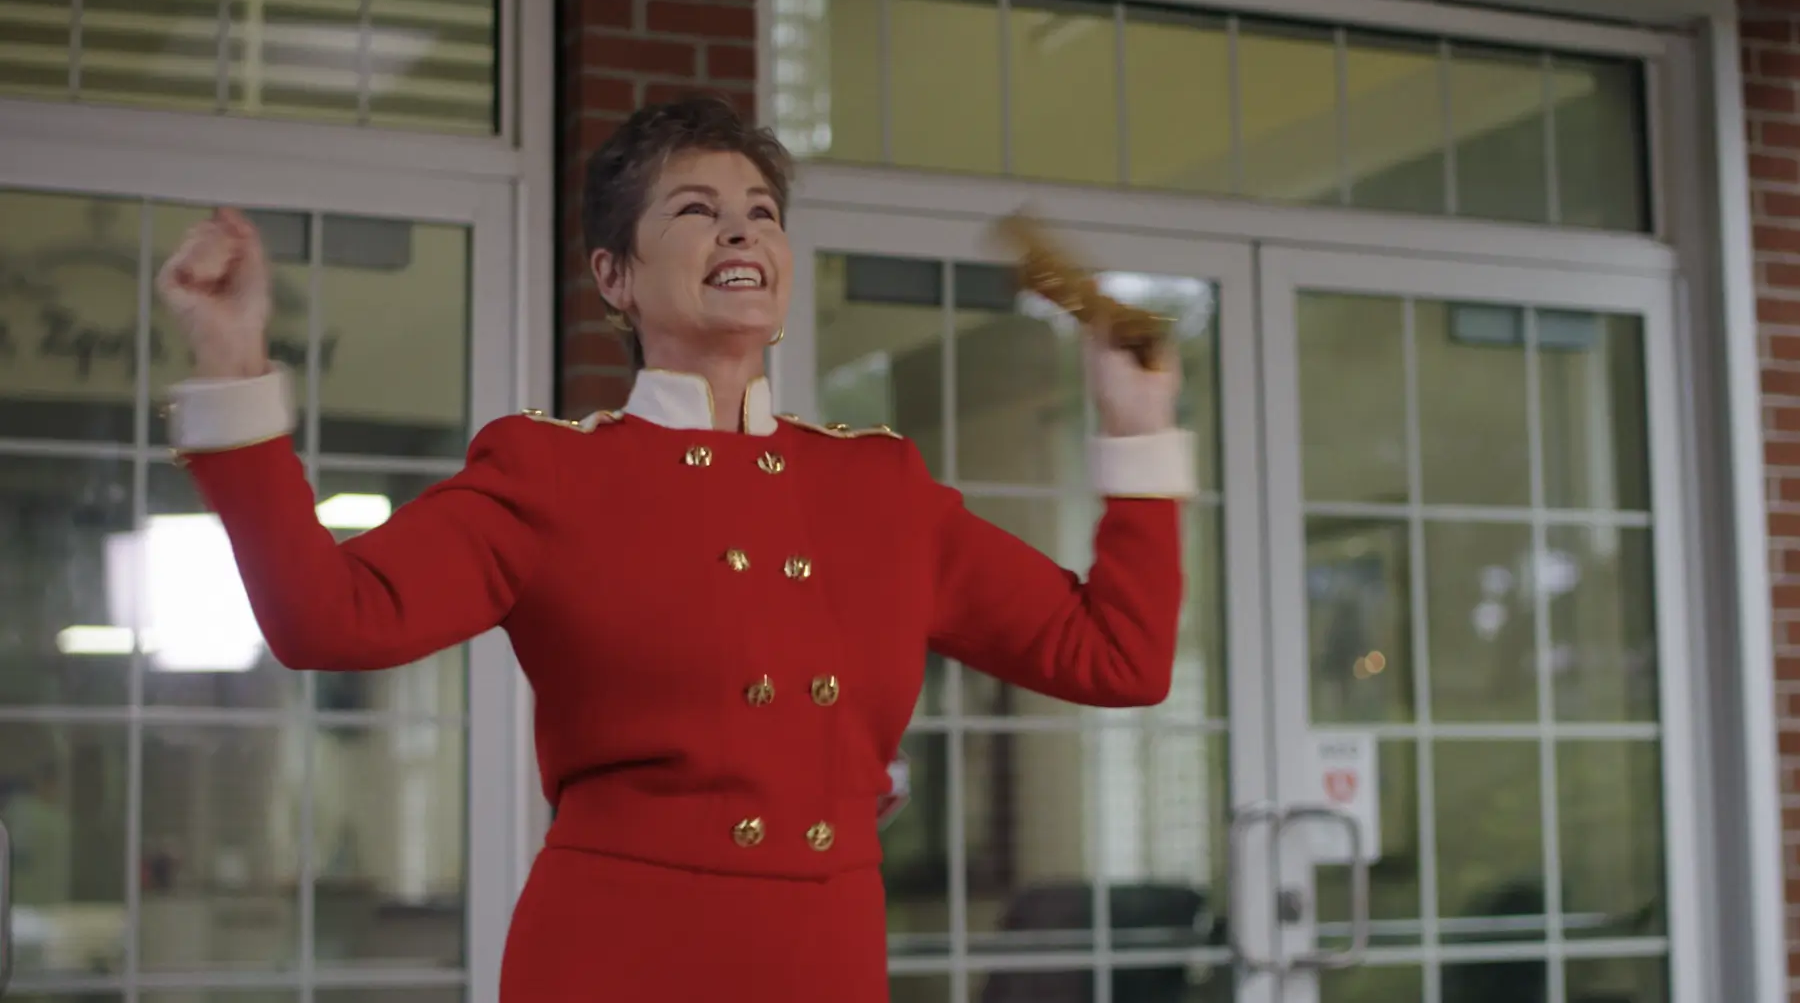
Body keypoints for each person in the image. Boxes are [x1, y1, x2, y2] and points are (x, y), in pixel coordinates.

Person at [156, 95, 1194, 1001]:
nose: (740, 233)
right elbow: (326, 617)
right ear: (615, 276)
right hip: (615, 958)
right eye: (696, 212)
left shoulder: (881, 486)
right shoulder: (547, 472)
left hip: (826, 963)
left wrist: (1136, 430)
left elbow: (1120, 658)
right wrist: (232, 363)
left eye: (762, 215)